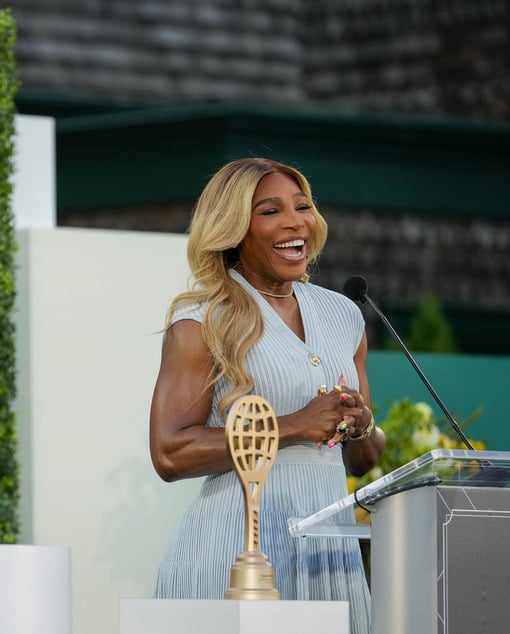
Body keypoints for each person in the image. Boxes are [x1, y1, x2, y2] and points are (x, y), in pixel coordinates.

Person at [149, 157, 386, 634]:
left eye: (302, 207)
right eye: (270, 211)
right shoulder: (203, 318)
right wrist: (295, 424)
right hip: (233, 551)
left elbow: (362, 459)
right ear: (235, 228)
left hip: (329, 555)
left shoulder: (344, 316)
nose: (295, 221)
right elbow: (170, 451)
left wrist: (360, 426)